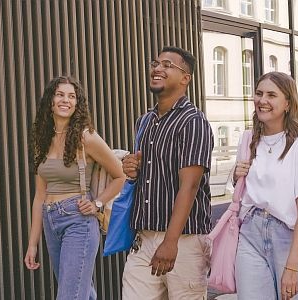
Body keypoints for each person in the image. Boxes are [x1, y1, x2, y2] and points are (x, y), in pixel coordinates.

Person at [121, 46, 214, 299]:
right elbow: (147, 175)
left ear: (186, 78)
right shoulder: (145, 121)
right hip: (144, 239)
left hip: (183, 242)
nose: (157, 68)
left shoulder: (193, 122)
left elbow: (190, 186)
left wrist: (170, 242)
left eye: (167, 65)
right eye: (155, 63)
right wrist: (131, 168)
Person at [24, 76, 125, 299]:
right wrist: (33, 244)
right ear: (50, 100)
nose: (65, 100)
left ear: (77, 104)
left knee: (70, 295)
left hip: (78, 220)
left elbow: (120, 175)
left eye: (72, 96)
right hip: (51, 222)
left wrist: (97, 203)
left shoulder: (85, 137)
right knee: (81, 292)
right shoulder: (42, 139)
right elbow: (40, 197)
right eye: (60, 94)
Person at [233, 72, 298, 300]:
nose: (263, 100)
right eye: (259, 93)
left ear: (288, 103)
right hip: (251, 233)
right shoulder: (248, 139)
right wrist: (236, 176)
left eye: (272, 95)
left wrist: (292, 268)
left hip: (290, 235)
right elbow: (244, 191)